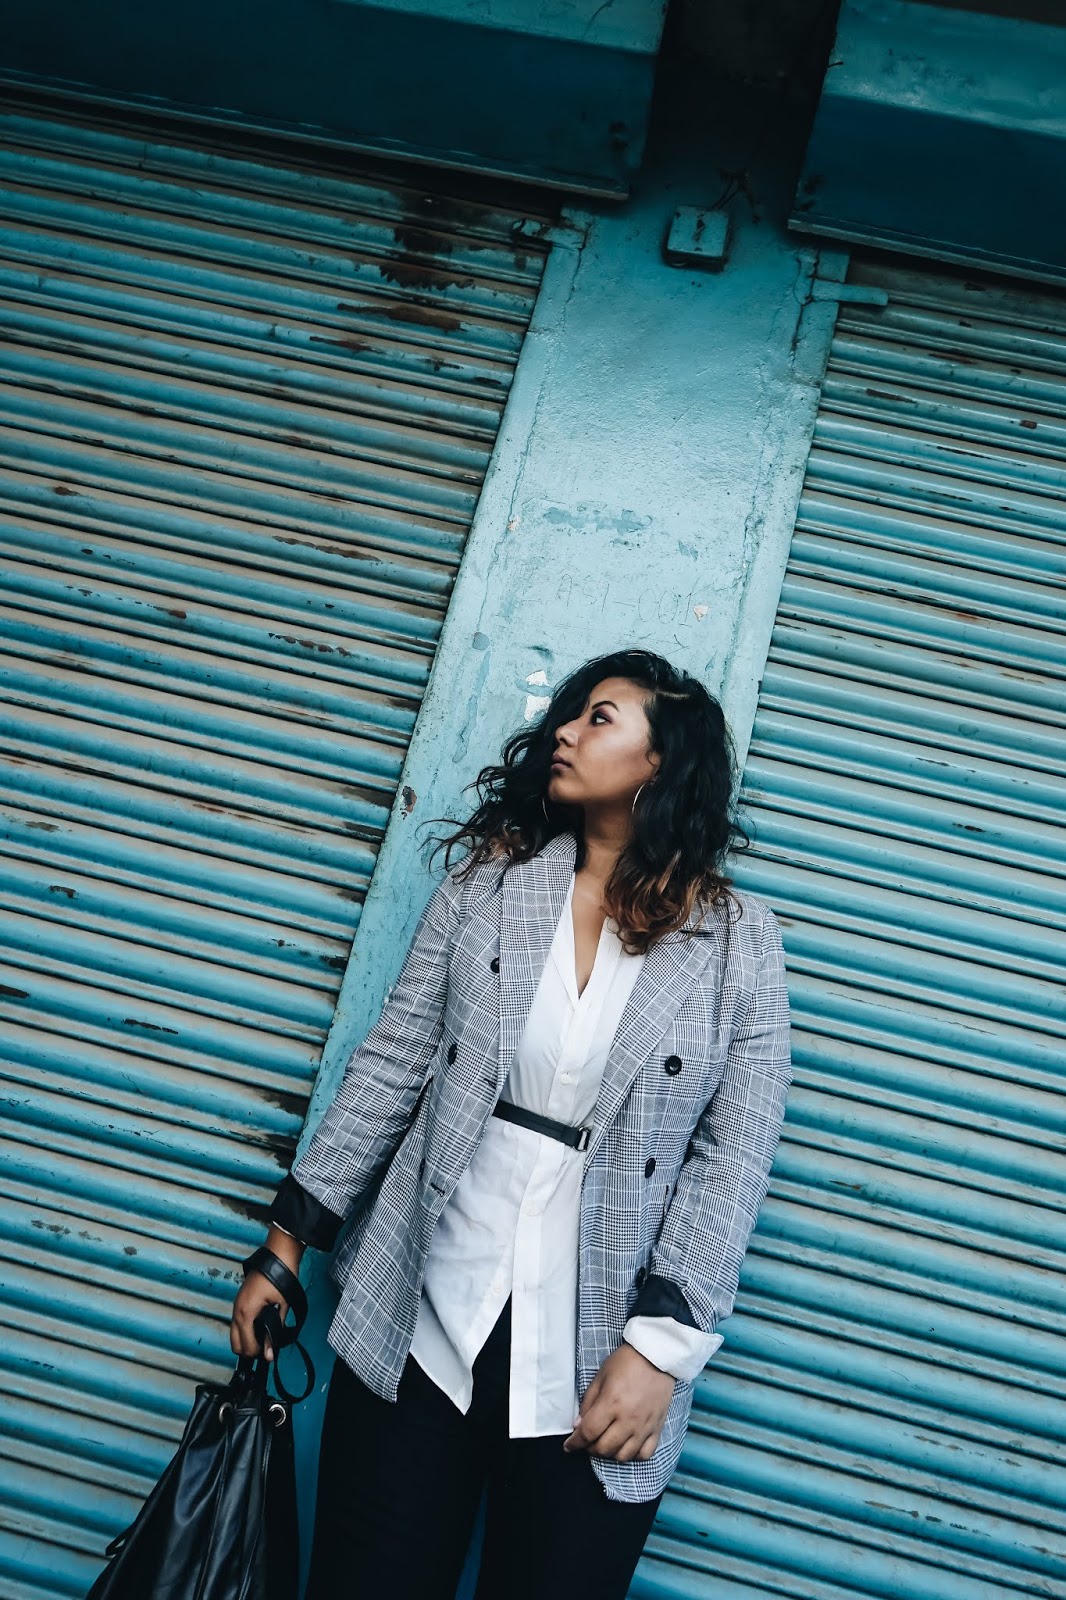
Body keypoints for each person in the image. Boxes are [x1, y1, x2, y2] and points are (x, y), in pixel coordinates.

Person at [230, 647, 792, 1600]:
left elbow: (731, 1159)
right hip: (423, 1318)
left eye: (600, 717)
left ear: (662, 761)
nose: (565, 731)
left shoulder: (739, 944)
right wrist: (286, 1244)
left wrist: (658, 1353)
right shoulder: (490, 888)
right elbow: (393, 1063)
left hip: (599, 1360)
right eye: (571, 713)